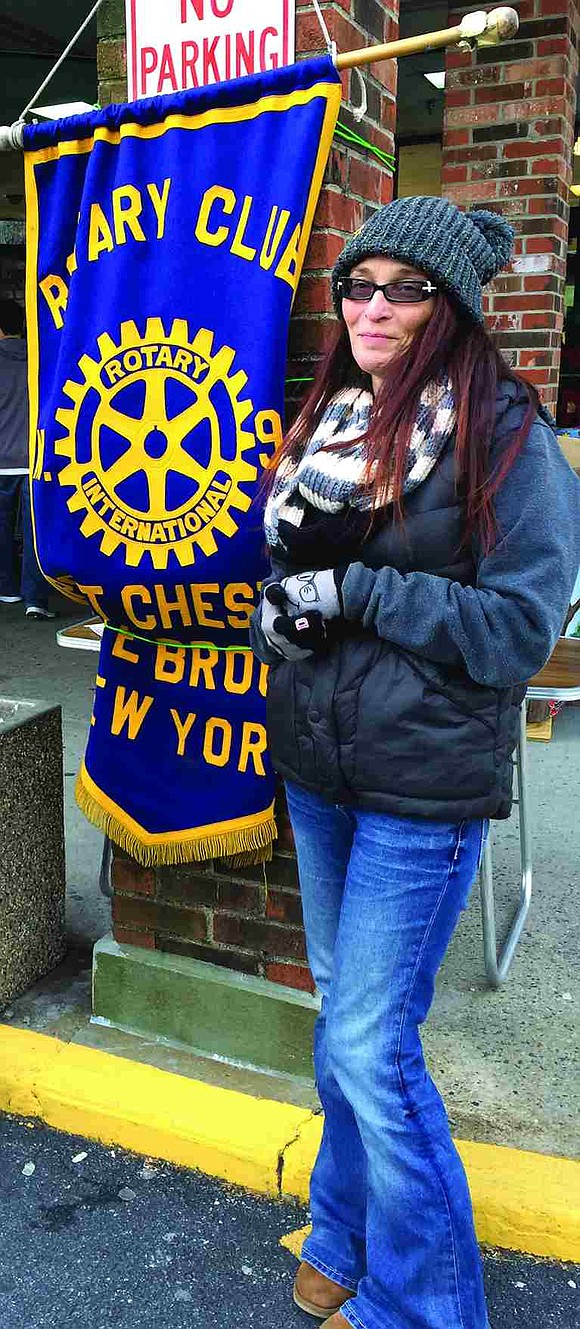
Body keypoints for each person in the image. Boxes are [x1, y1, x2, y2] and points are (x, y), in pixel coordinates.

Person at [250, 196, 580, 1329]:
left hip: (420, 789)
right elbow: (292, 563)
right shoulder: (336, 415)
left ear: (451, 308)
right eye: (357, 285)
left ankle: (428, 1307)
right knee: (347, 1017)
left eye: (404, 288)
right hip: (321, 767)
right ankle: (342, 1239)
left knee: (368, 1046)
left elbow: (517, 633)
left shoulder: (504, 436)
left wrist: (357, 593)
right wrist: (284, 614)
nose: (373, 308)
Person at [0, 297, 55, 620]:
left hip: (1, 460)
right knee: (34, 534)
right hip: (35, 459)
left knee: (2, 528)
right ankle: (35, 598)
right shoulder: (41, 358)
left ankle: (6, 587)